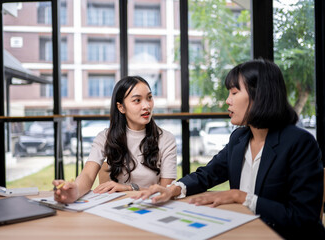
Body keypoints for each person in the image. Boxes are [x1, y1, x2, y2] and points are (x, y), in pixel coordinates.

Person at [134, 59, 325, 239]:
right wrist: (173, 189)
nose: (228, 101)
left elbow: (303, 217)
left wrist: (240, 196)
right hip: (245, 232)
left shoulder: (300, 143)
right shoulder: (239, 138)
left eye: (234, 93)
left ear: (260, 95)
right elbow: (207, 174)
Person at [53, 76, 177, 203]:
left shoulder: (166, 139)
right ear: (121, 107)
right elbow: (88, 175)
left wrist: (130, 188)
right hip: (118, 206)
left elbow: (165, 190)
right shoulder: (105, 137)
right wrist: (75, 191)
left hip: (152, 206)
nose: (146, 106)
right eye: (137, 100)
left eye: (149, 98)